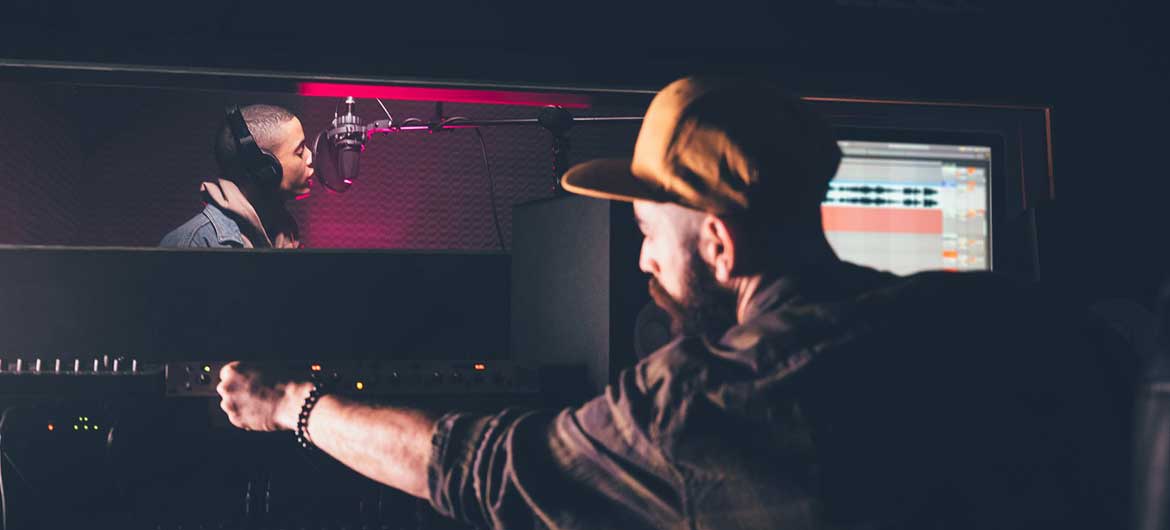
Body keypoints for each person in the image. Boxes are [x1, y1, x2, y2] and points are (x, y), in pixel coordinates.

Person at [216, 77, 1130, 529]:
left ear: (721, 245)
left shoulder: (703, 399)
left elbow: (477, 470)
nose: (643, 258)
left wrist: (292, 403)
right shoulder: (999, 322)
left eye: (651, 232)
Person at [160, 104, 313, 248]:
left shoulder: (285, 234)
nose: (310, 157)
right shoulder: (193, 244)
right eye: (300, 151)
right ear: (263, 168)